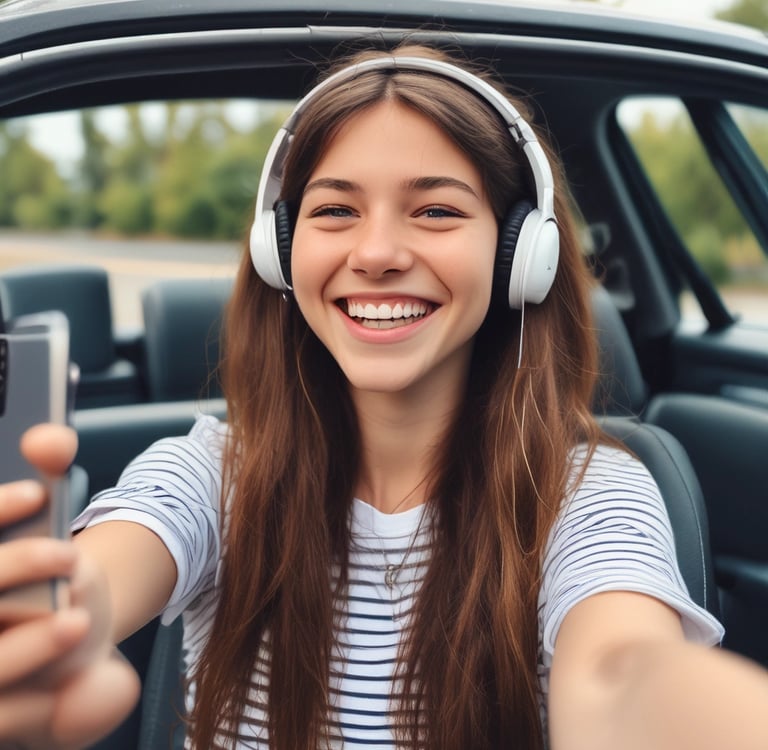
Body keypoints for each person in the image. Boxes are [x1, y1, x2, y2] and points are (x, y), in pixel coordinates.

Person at [2, 42, 768, 750]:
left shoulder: (589, 493)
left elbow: (621, 673)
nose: (375, 254)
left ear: (519, 255)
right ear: (279, 248)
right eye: (334, 210)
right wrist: (48, 630)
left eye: (436, 210)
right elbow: (96, 577)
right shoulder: (209, 475)